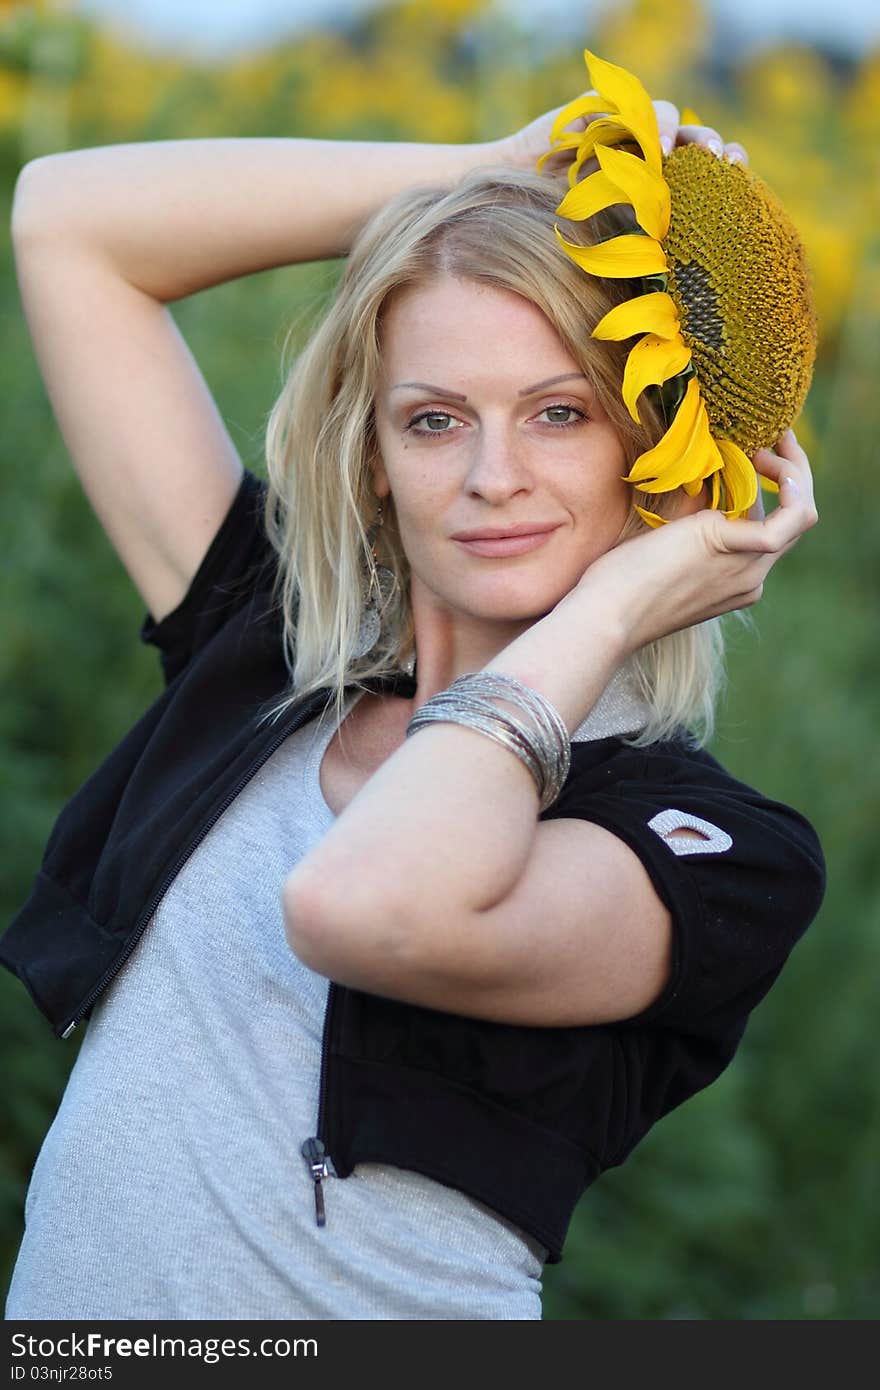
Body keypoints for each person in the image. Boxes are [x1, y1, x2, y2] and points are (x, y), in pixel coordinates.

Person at [2, 61, 824, 1321]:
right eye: (434, 421)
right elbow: (68, 225)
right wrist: (484, 172)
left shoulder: (707, 851)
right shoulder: (265, 654)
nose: (494, 475)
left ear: (649, 455)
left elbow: (361, 906)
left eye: (560, 413)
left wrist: (606, 612)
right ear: (373, 458)